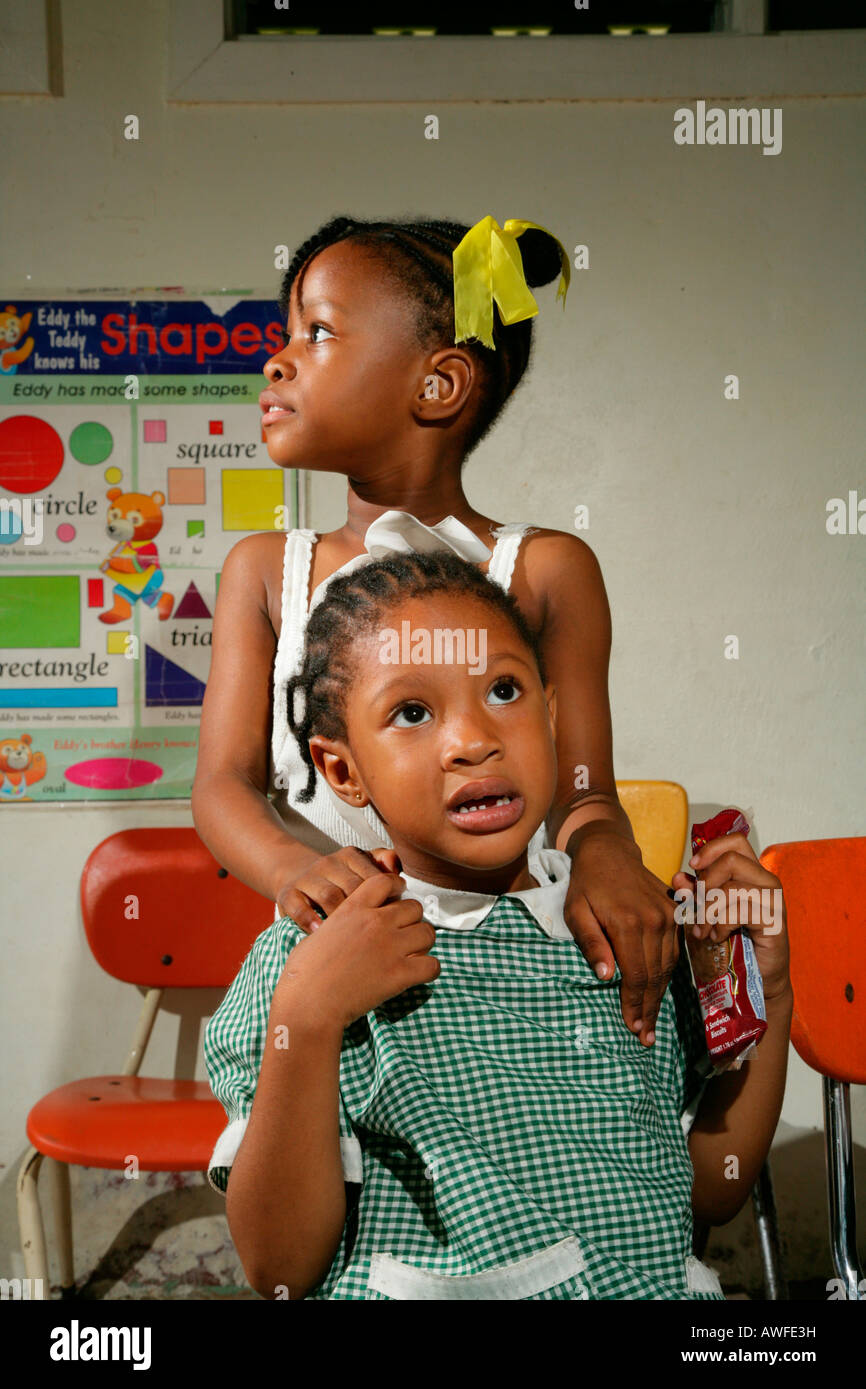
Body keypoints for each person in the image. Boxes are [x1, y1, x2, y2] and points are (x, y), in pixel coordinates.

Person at [204, 550, 793, 1302]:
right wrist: (308, 1018)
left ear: (550, 716)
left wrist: (769, 994)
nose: (474, 739)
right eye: (412, 713)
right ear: (343, 770)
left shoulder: (621, 928)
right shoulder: (314, 952)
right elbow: (279, 1269)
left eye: (504, 691)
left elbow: (710, 1192)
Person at [192, 213, 683, 1048]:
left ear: (437, 385)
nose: (276, 359)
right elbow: (223, 786)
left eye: (317, 333)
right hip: (347, 954)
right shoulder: (267, 571)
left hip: (521, 961)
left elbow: (582, 788)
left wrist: (604, 851)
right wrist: (301, 873)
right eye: (287, 335)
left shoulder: (546, 570)